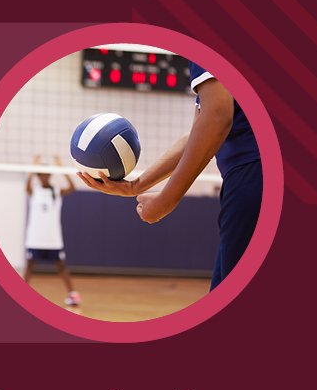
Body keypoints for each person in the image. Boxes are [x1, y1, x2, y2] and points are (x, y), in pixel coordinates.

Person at [77, 60, 262, 290]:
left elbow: (217, 117)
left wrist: (165, 201)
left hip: (254, 174)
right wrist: (136, 186)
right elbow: (200, 131)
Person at [24, 155, 81, 306]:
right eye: (40, 174)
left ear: (49, 175)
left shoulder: (56, 191)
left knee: (61, 267)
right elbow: (26, 186)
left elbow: (73, 187)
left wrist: (61, 167)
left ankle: (72, 295)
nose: (44, 176)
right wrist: (33, 167)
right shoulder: (34, 191)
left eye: (46, 173)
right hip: (35, 238)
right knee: (29, 266)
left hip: (52, 239)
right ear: (38, 176)